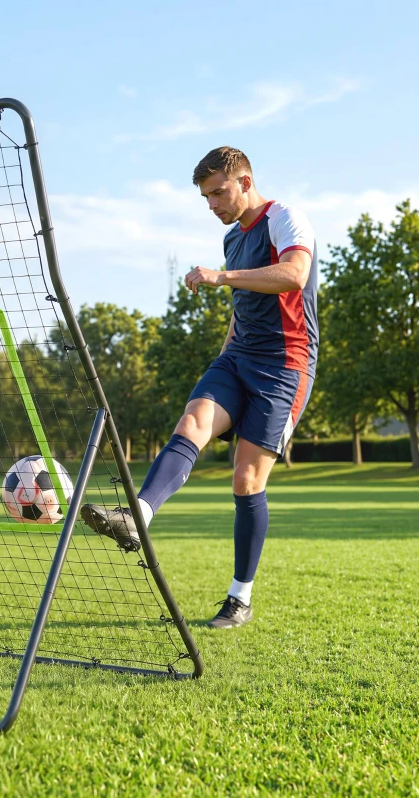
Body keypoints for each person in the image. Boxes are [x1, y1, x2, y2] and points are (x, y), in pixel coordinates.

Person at [81, 146, 318, 629]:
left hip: (285, 366)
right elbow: (241, 306)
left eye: (218, 192)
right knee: (191, 422)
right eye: (206, 197)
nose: (212, 204)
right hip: (236, 359)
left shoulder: (285, 217)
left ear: (245, 182)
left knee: (246, 481)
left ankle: (239, 599)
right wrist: (226, 352)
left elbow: (294, 275)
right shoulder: (233, 239)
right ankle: (138, 517)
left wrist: (221, 276)